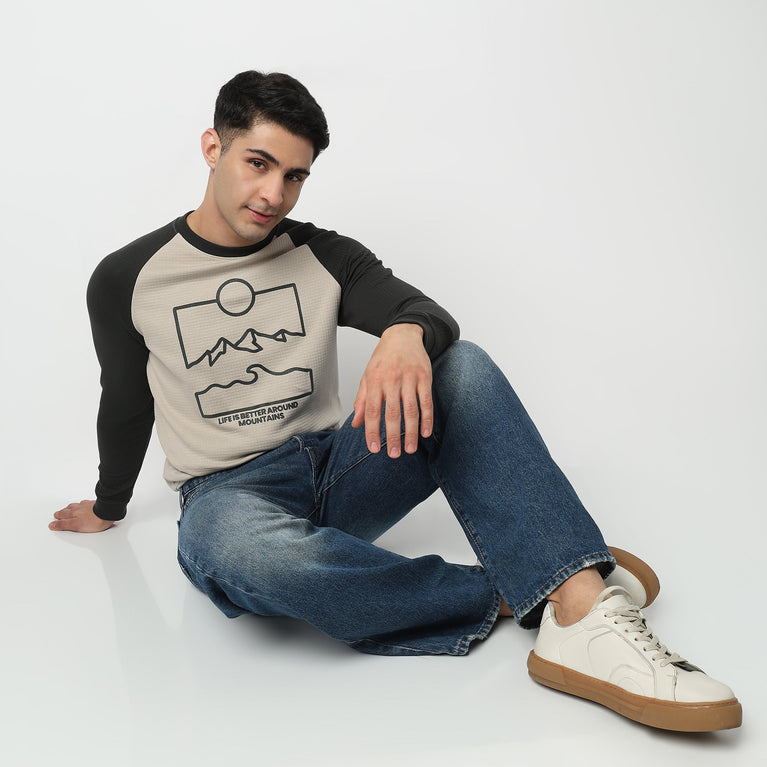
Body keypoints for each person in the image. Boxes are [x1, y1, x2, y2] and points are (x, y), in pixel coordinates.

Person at [50, 71, 741, 732]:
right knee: (240, 554)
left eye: (294, 175)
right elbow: (125, 399)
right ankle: (542, 581)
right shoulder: (129, 276)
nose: (273, 193)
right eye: (257, 163)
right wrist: (110, 503)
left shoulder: (323, 254)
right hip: (227, 497)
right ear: (213, 146)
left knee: (459, 366)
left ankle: (582, 617)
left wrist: (406, 333)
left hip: (341, 469)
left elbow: (424, 311)